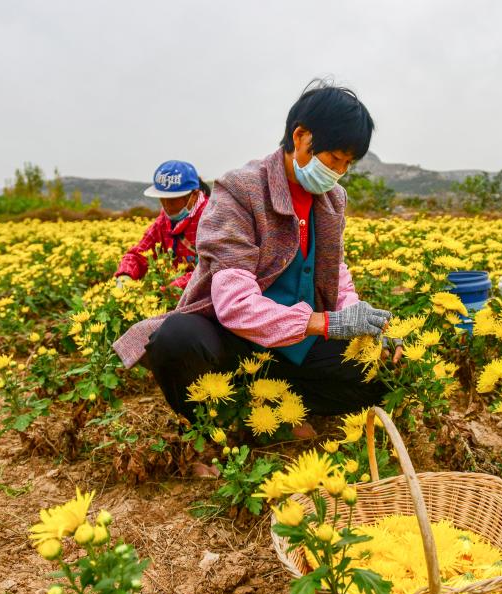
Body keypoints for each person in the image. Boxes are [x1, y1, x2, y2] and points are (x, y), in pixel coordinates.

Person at [113, 82, 392, 422]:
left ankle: (276, 406)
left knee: (382, 373)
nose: (339, 172)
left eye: (348, 163)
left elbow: (337, 275)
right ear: (301, 136)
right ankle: (216, 421)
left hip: (295, 346)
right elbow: (234, 305)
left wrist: (359, 319)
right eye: (334, 158)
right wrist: (328, 323)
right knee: (176, 340)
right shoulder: (241, 191)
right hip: (234, 341)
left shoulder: (332, 199)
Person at [114, 160, 211, 290]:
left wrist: (171, 290)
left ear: (193, 195)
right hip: (173, 292)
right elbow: (139, 253)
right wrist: (125, 275)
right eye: (162, 199)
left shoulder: (211, 218)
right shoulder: (164, 221)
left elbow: (209, 269)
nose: (166, 205)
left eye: (172, 201)